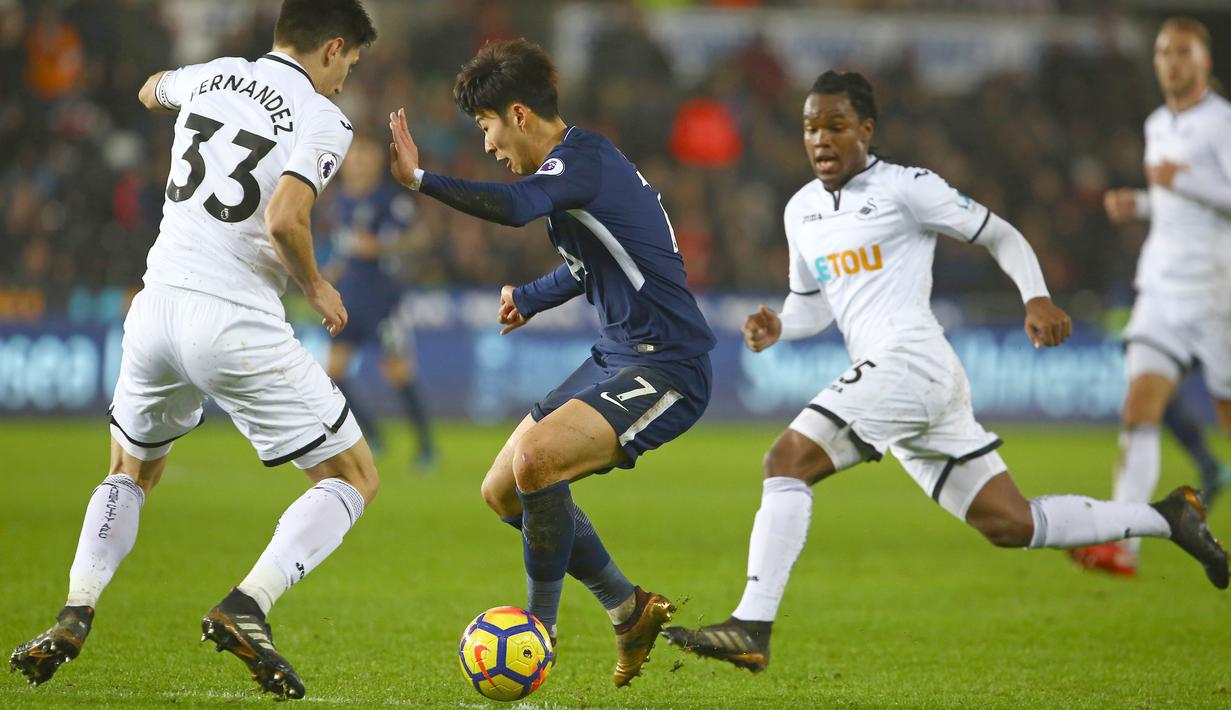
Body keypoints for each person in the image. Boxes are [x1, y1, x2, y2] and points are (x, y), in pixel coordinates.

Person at [661, 70, 1229, 673]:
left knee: (786, 460)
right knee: (1012, 522)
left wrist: (1035, 297)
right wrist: (779, 324)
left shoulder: (908, 187)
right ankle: (1169, 517)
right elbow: (815, 302)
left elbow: (1001, 234)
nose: (820, 139)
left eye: (836, 125)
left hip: (911, 363)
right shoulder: (801, 210)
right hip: (906, 379)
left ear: (867, 129)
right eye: (810, 127)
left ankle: (752, 624)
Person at [9, 0, 378, 700]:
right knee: (352, 477)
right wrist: (316, 285)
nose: (343, 81)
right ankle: (249, 605)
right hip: (233, 316)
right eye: (348, 67)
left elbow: (151, 88)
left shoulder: (211, 75)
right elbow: (285, 215)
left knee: (129, 470)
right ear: (332, 48)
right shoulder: (323, 117)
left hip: (155, 309)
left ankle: (75, 611)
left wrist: (178, 90)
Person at [387, 38, 716, 687]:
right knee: (501, 489)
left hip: (668, 363)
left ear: (517, 113)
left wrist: (421, 180)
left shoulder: (581, 162)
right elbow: (583, 265)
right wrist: (530, 299)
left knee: (536, 460)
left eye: (484, 127)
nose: (486, 146)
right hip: (618, 355)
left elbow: (511, 210)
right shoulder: (576, 176)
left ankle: (538, 628)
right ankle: (628, 607)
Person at [1075, 17, 1231, 578]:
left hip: (1217, 293)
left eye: (1183, 51)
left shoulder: (1222, 123)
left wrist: (1180, 181)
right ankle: (1124, 543)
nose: (1171, 61)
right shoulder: (1156, 124)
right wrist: (1141, 204)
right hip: (1162, 287)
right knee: (1139, 407)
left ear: (1204, 62)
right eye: (1164, 51)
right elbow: (1175, 202)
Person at [323, 134, 436, 471]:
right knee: (335, 373)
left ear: (376, 162)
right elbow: (348, 248)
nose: (357, 161)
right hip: (349, 297)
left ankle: (427, 448)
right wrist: (332, 272)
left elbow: (419, 238)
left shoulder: (388, 200)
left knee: (398, 372)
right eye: (353, 155)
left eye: (364, 155)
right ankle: (373, 435)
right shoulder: (339, 202)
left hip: (383, 299)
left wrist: (382, 247)